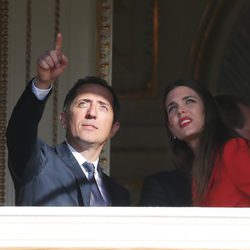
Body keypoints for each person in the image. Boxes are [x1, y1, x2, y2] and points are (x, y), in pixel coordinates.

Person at [6, 33, 130, 206]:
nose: (92, 113)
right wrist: (42, 83)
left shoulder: (119, 194)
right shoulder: (38, 163)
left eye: (103, 107)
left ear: (113, 129)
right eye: (83, 103)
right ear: (64, 119)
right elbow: (19, 131)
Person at [163, 79, 250, 207]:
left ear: (208, 110)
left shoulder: (232, 149)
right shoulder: (198, 171)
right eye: (172, 108)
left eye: (189, 101)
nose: (180, 110)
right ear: (171, 129)